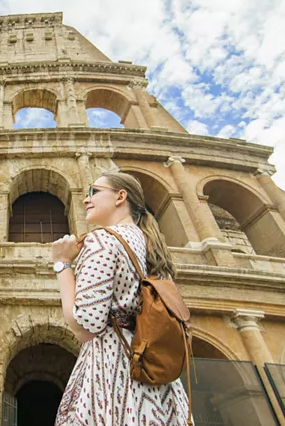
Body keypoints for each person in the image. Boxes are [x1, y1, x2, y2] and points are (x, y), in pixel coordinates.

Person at [52, 171, 190, 425]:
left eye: (94, 191)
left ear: (120, 196)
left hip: (116, 370)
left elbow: (85, 327)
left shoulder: (102, 240)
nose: (85, 200)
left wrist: (62, 264)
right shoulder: (152, 247)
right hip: (154, 374)